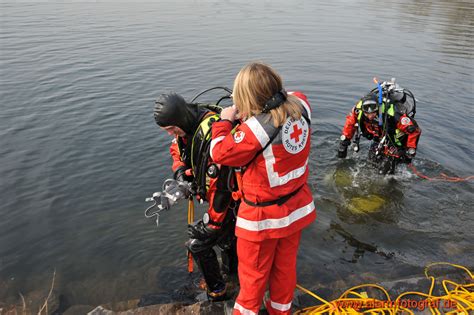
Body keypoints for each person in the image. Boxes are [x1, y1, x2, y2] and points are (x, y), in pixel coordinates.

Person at [209, 62, 316, 315]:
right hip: (296, 209)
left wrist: (225, 122)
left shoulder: (256, 130)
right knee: (285, 269)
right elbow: (291, 94)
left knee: (253, 277)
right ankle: (281, 310)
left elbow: (219, 152)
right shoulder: (302, 106)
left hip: (261, 220)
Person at [153, 92, 238, 301]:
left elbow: (222, 185)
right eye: (167, 130)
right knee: (227, 241)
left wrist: (212, 224)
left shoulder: (211, 131)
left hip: (230, 199)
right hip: (220, 197)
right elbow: (177, 149)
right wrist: (181, 172)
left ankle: (218, 291)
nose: (171, 134)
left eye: (172, 129)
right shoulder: (186, 127)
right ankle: (232, 275)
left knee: (197, 244)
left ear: (180, 119)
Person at [338, 80, 421, 174]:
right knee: (370, 165)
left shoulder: (393, 114)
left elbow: (414, 130)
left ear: (378, 107)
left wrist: (410, 151)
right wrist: (344, 141)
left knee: (386, 174)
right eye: (367, 113)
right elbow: (350, 123)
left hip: (395, 142)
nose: (370, 116)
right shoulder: (358, 110)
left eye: (373, 113)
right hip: (379, 138)